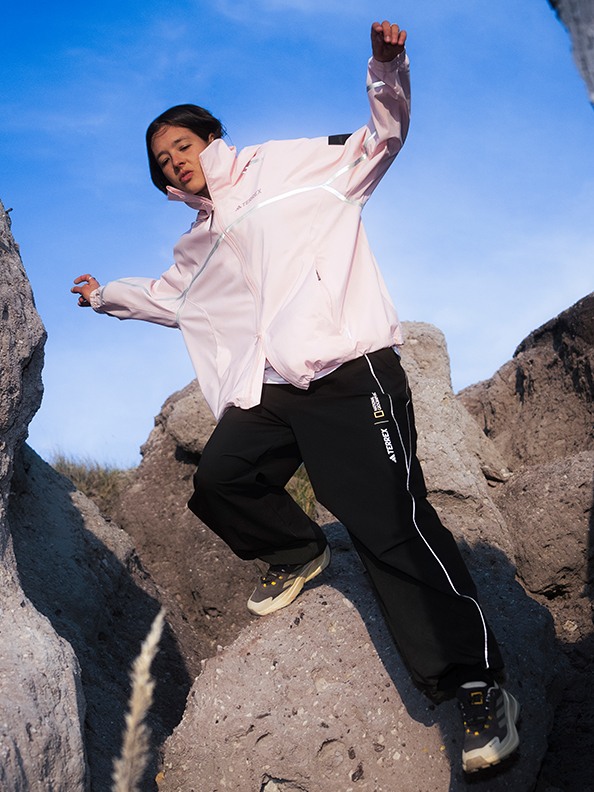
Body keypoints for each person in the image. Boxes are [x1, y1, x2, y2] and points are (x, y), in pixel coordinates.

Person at [72, 20, 520, 773]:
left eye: (182, 146)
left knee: (391, 528)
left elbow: (384, 136)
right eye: (161, 164)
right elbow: (169, 297)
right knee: (220, 481)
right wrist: (104, 295)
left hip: (351, 373)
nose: (174, 164)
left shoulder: (295, 167)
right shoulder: (198, 240)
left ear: (213, 139)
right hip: (277, 389)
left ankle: (479, 686)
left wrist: (387, 67)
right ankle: (298, 549)